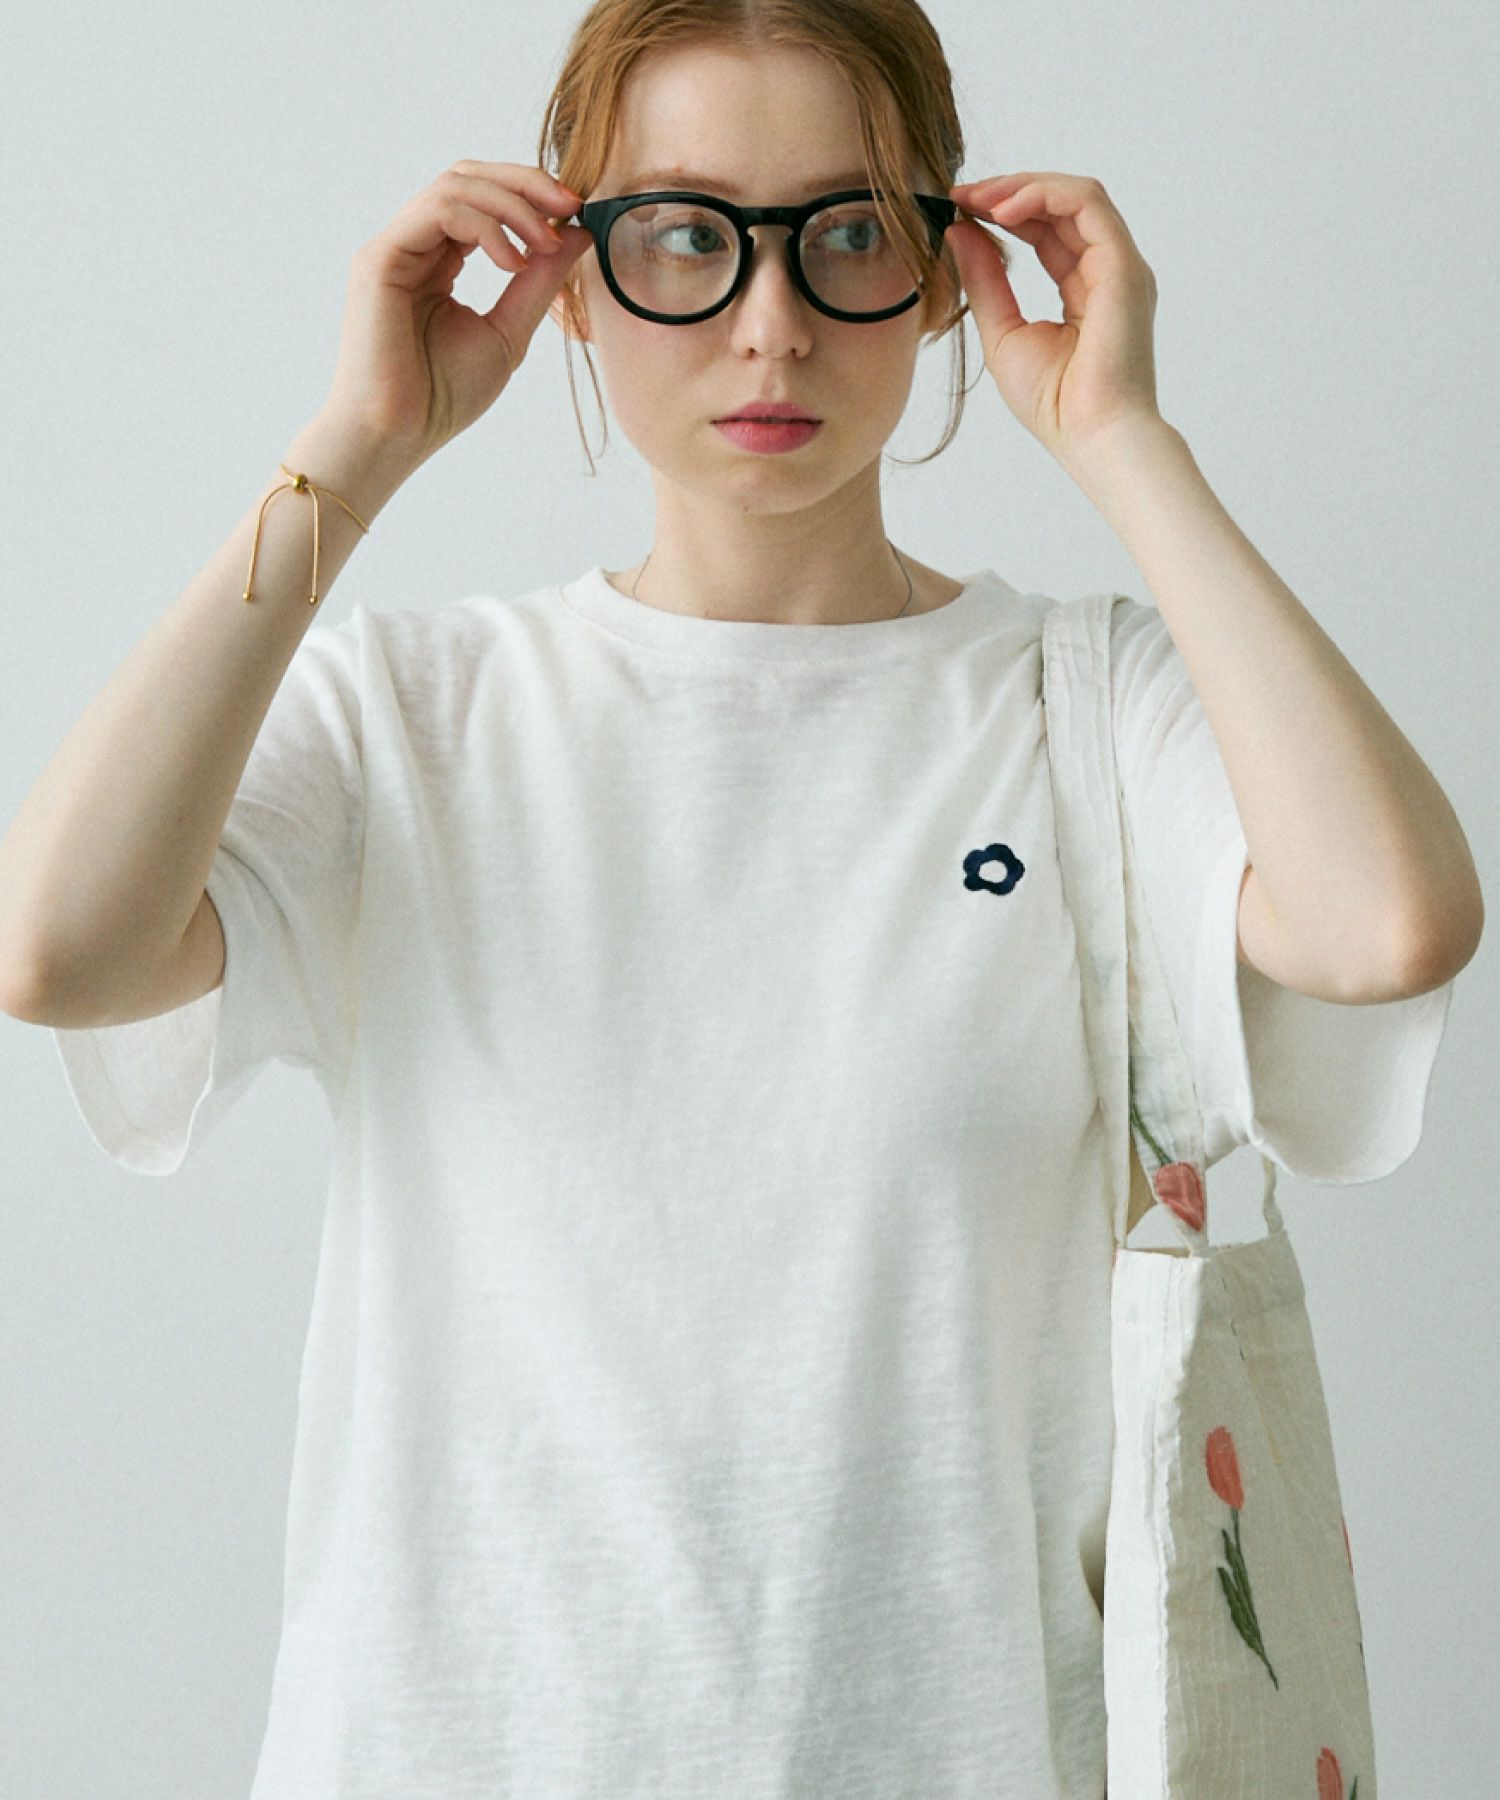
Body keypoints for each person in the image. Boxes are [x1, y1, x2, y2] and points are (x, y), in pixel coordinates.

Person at [0, 1, 1476, 1794]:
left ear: (945, 274)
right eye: (687, 237)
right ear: (572, 275)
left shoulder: (1081, 706)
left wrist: (1121, 442)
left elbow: (1388, 927)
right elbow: (60, 950)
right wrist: (358, 446)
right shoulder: (417, 716)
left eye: (847, 234)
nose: (771, 322)